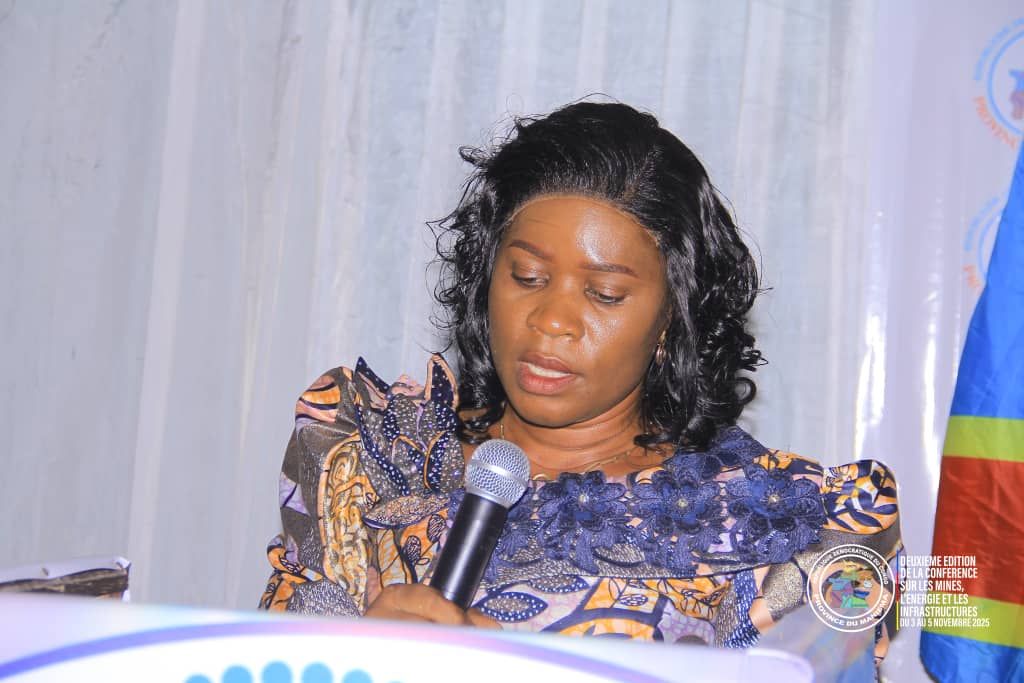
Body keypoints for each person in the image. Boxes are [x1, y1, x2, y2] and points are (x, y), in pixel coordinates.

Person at [260, 102, 901, 660]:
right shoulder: (375, 457)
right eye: (528, 278)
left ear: (671, 321)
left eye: (605, 294)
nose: (552, 320)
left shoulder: (786, 519)